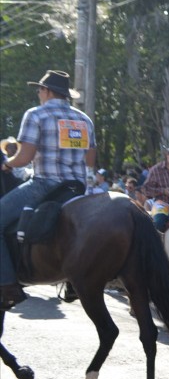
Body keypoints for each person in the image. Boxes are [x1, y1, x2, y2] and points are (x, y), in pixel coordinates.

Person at [0, 70, 95, 309]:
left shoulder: (36, 115)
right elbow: (90, 159)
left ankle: (8, 285)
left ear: (47, 91)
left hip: (45, 185)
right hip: (77, 188)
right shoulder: (84, 119)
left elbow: (25, 157)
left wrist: (7, 164)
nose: (38, 94)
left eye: (39, 90)